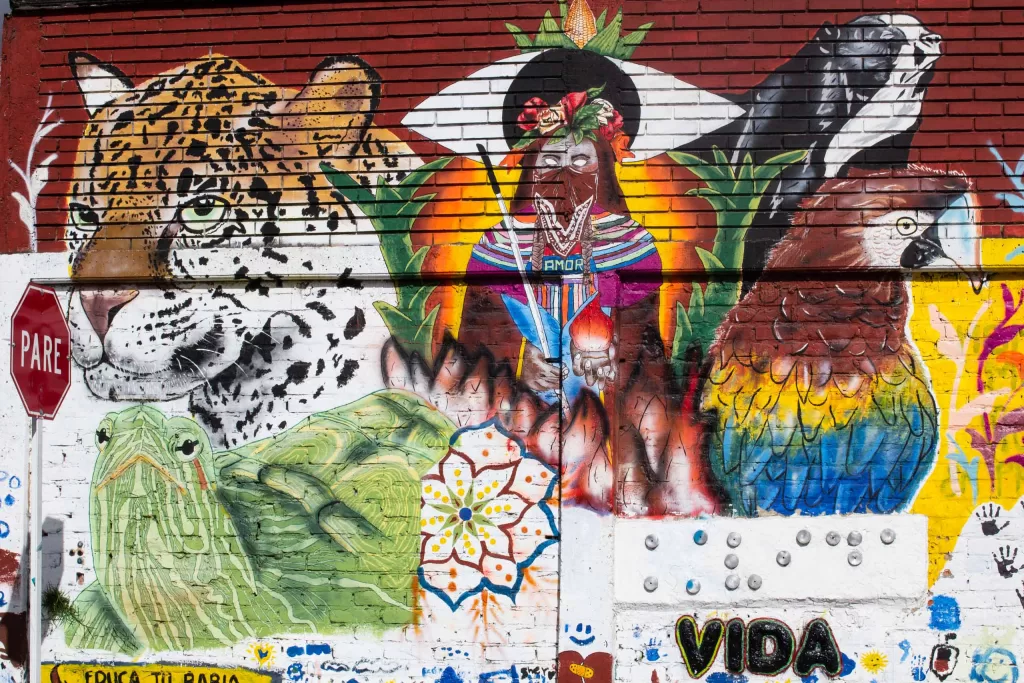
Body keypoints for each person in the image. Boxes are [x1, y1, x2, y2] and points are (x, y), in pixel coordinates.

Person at [457, 51, 719, 515]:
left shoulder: (631, 243)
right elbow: (475, 349)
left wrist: (614, 356)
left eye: (581, 159)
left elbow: (645, 351)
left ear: (603, 170)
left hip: (608, 423)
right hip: (525, 416)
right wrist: (519, 364)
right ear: (531, 168)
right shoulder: (499, 246)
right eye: (551, 159)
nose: (566, 172)